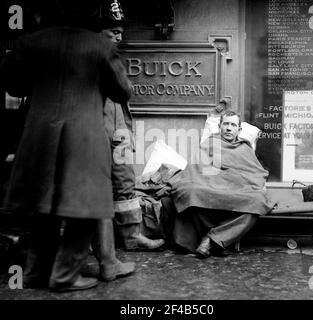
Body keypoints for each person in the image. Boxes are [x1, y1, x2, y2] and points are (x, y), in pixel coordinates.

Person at [0, 0, 134, 291]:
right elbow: (123, 92)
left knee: (43, 207)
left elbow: (13, 86)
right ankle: (64, 276)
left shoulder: (30, 42)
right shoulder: (99, 46)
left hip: (38, 136)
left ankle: (36, 273)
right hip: (84, 137)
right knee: (86, 207)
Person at [91, 0, 164, 276]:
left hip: (117, 121)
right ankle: (92, 246)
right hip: (96, 127)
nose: (119, 36)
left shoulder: (111, 56)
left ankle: (132, 236)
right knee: (95, 187)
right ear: (98, 32)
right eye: (113, 31)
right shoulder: (90, 56)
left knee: (124, 179)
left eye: (121, 31)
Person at [165, 110, 274, 258]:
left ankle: (211, 239)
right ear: (220, 126)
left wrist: (238, 180)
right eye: (226, 124)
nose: (229, 128)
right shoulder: (209, 143)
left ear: (239, 130)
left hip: (235, 190)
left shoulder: (245, 148)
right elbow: (196, 168)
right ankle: (214, 238)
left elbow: (255, 173)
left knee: (258, 201)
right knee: (190, 191)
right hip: (210, 187)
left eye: (233, 125)